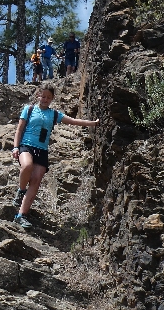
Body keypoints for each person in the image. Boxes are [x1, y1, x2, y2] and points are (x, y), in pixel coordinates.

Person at [11, 84, 99, 229]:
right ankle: (21, 191)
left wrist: (93, 124)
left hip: (42, 150)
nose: (45, 99)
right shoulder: (29, 109)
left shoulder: (54, 114)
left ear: (52, 99)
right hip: (26, 145)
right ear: (38, 95)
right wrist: (15, 147)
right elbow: (19, 129)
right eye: (43, 96)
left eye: (49, 97)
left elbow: (74, 121)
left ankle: (21, 215)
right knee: (27, 166)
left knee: (36, 181)